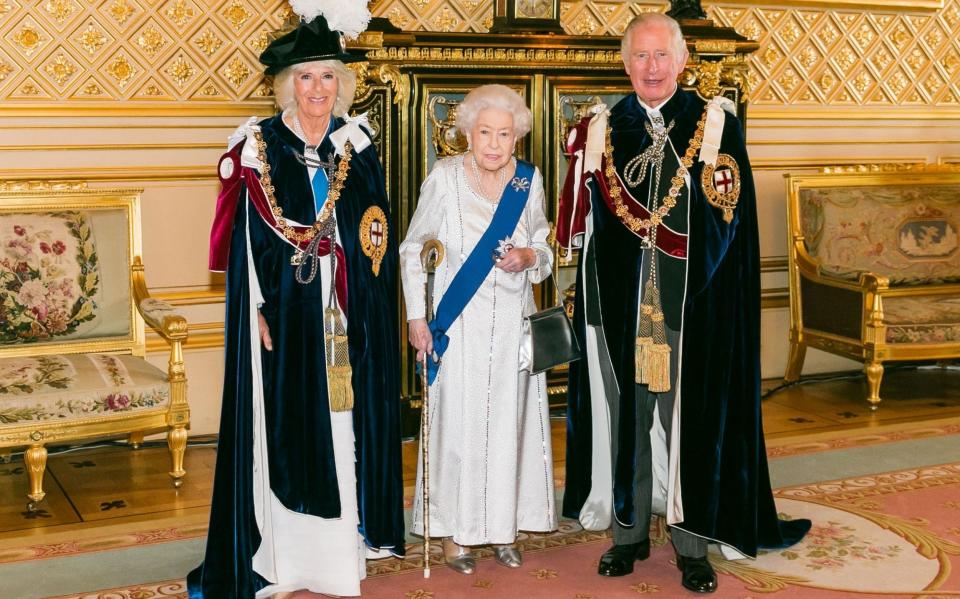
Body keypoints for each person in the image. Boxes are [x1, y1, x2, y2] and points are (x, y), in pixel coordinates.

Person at [557, 13, 810, 594]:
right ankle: (628, 538)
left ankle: (692, 543)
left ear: (681, 60)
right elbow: (588, 227)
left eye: (661, 56)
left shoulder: (714, 124)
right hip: (621, 307)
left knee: (688, 426)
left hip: (691, 311)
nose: (651, 67)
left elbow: (732, 223)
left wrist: (709, 305)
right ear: (625, 65)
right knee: (627, 424)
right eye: (640, 57)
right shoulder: (601, 127)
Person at [189, 5, 405, 597]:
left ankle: (342, 557)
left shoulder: (356, 146)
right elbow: (243, 242)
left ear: (343, 84)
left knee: (344, 428)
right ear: (288, 85)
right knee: (287, 430)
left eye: (328, 77)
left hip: (347, 316)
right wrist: (255, 307)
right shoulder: (258, 147)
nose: (317, 90)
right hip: (284, 314)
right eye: (306, 78)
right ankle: (286, 559)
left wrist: (368, 297)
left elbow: (377, 230)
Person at [400, 84, 558, 575]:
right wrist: (415, 317)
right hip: (459, 327)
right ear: (467, 133)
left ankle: (503, 529)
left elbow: (545, 247)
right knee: (457, 429)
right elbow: (412, 249)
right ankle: (453, 535)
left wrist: (530, 256)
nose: (494, 143)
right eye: (485, 132)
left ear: (518, 137)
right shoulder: (445, 178)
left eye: (504, 134)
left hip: (512, 328)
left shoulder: (527, 183)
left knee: (509, 426)